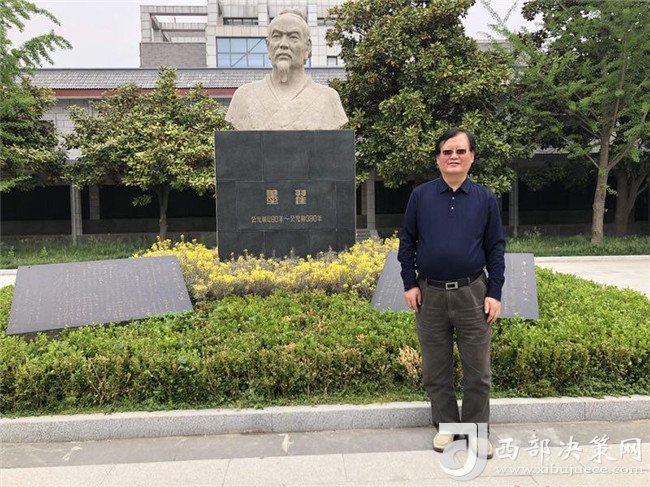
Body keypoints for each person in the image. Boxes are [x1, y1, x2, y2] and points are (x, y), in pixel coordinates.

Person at [397, 128, 505, 459]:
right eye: (447, 151)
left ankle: (477, 431)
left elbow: (496, 248)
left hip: (473, 293)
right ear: (438, 159)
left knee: (478, 370)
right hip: (429, 294)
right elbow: (407, 242)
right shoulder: (421, 196)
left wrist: (495, 292)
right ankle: (446, 426)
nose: (453, 157)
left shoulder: (485, 198)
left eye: (460, 151)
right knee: (435, 368)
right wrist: (409, 283)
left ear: (472, 157)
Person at [225, 9, 348, 130]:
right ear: (268, 46)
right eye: (276, 36)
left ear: (308, 47)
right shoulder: (244, 96)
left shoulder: (327, 98)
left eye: (293, 37)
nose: (283, 44)